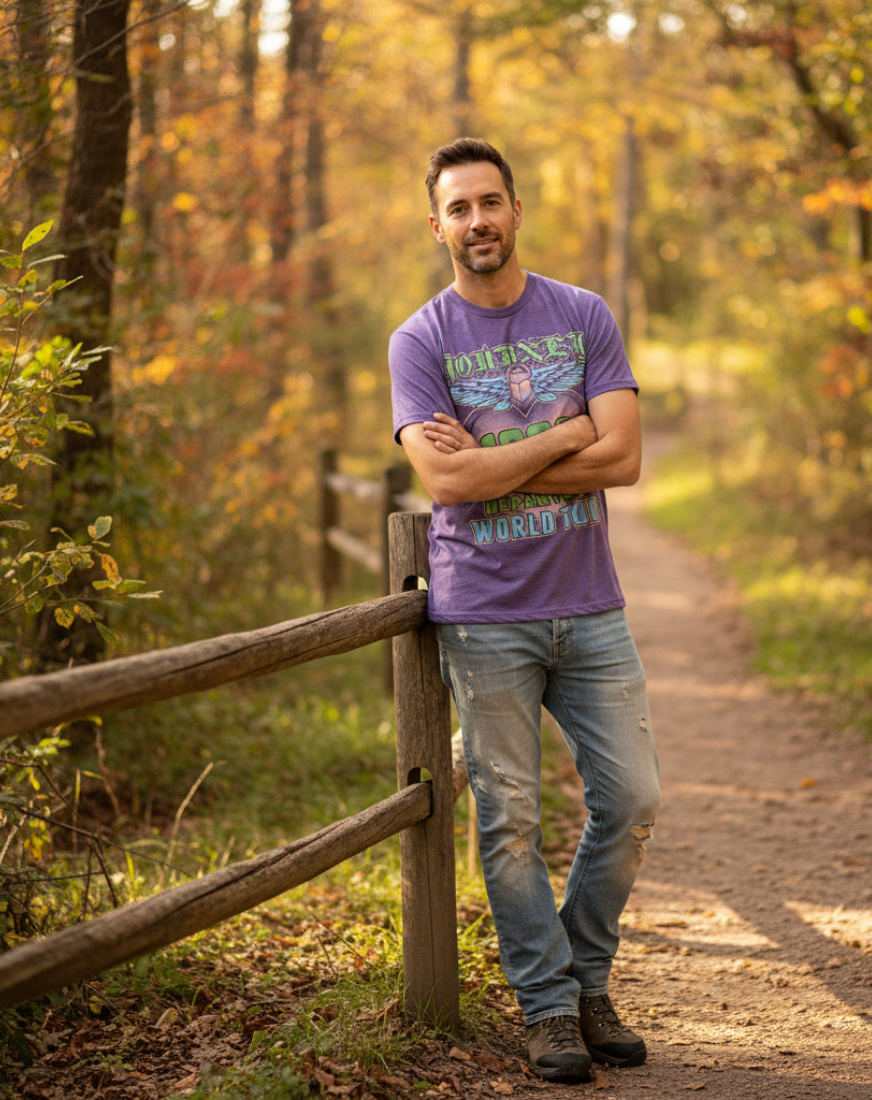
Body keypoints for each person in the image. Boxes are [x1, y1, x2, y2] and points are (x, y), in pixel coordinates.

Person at [388, 137, 661, 1085]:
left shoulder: (582, 314)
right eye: (458, 208)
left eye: (490, 202)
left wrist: (493, 462)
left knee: (631, 801)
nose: (478, 222)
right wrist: (569, 427)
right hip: (485, 614)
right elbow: (444, 482)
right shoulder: (419, 341)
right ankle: (548, 1011)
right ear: (437, 226)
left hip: (589, 605)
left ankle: (588, 981)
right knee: (505, 821)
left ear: (516, 208)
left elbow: (623, 459)